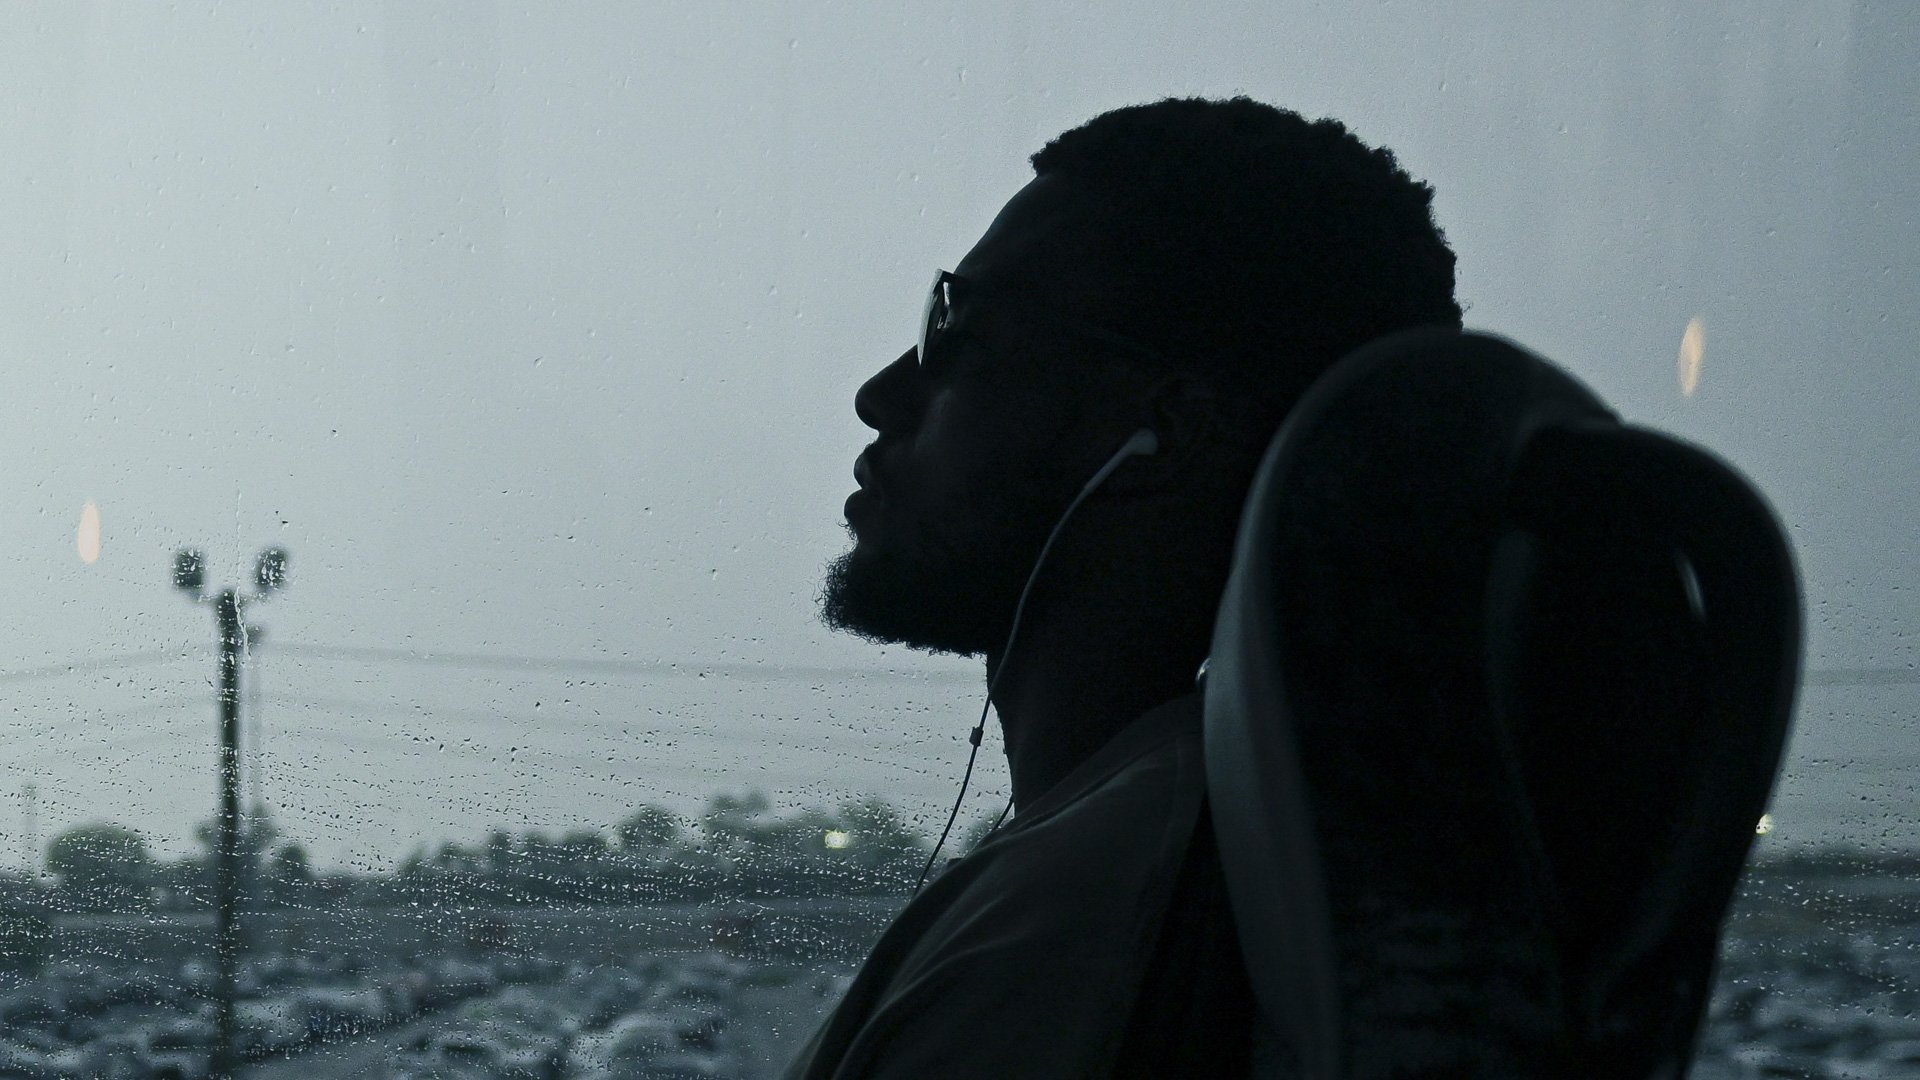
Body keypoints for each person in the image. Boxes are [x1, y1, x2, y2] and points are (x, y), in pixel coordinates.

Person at [795, 96, 1465, 1078]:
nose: (884, 392)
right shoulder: (1211, 842)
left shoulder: (1075, 922)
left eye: (961, 327)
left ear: (1168, 431)